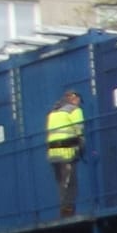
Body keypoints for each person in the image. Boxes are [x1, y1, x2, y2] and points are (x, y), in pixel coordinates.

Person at [45, 88, 84, 217]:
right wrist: (82, 149)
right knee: (71, 184)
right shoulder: (74, 110)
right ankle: (68, 213)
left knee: (62, 184)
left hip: (53, 154)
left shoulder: (53, 112)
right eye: (79, 100)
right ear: (74, 98)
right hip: (67, 152)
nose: (79, 103)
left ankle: (64, 210)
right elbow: (79, 131)